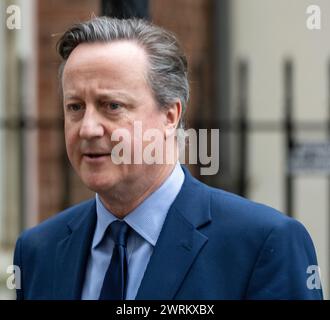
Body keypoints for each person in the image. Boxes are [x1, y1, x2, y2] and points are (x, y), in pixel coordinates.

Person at [14, 17, 323, 300]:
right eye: (75, 107)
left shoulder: (263, 244)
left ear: (170, 115)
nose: (88, 128)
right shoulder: (37, 252)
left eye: (112, 106)